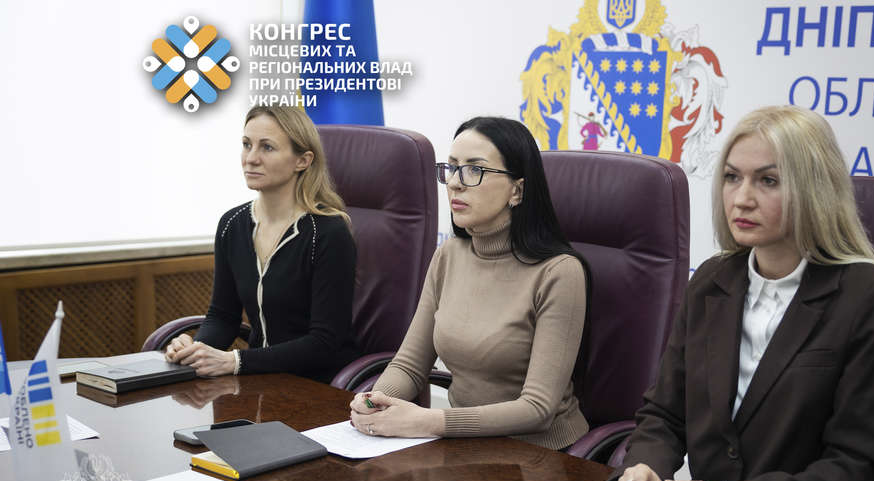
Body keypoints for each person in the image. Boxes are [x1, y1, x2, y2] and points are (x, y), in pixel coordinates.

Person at [608, 105, 874, 481]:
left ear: (814, 189)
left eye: (768, 180)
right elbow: (664, 413)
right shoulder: (712, 280)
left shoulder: (868, 294)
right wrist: (644, 466)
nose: (742, 199)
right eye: (732, 177)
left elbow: (854, 470)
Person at [348, 116, 591, 450]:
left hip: (541, 455)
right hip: (463, 445)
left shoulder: (559, 272)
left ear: (517, 190)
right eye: (452, 168)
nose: (454, 184)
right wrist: (376, 401)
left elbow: (537, 410)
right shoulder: (449, 255)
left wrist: (429, 421)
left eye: (474, 169)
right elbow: (409, 365)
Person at [164, 105, 359, 384]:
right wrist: (196, 350)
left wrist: (235, 361)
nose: (251, 158)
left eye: (267, 147)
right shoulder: (231, 224)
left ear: (303, 161)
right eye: (247, 144)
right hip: (256, 379)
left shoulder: (328, 232)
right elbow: (222, 316)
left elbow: (324, 342)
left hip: (317, 385)